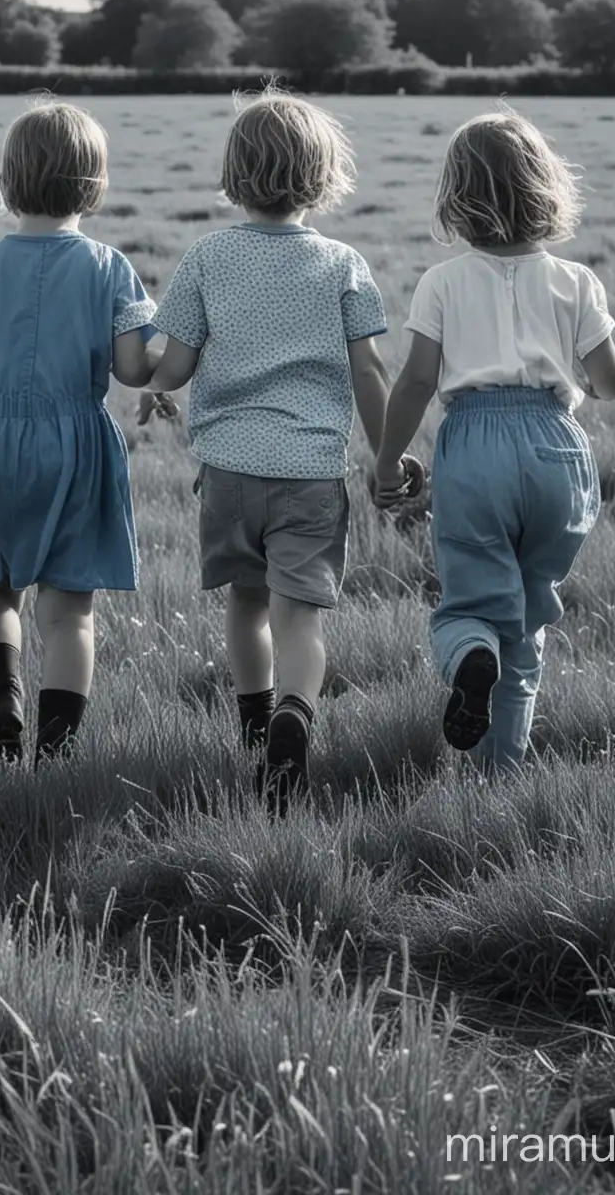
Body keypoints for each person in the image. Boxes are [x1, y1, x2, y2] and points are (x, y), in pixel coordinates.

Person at [142, 87, 422, 812]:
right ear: (322, 174)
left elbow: (174, 364)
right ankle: (297, 715)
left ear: (235, 171)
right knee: (302, 616)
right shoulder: (342, 264)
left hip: (231, 468)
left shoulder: (209, 256)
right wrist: (387, 455)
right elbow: (370, 370)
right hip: (310, 470)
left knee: (246, 602)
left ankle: (254, 721)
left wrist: (156, 385)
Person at [0, 100, 161, 766]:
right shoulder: (110, 267)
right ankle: (58, 748)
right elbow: (132, 370)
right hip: (75, 448)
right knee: (70, 609)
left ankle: (2, 705)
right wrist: (171, 358)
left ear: (8, 179)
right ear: (92, 182)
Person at [373, 107, 615, 772]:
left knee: (471, 607)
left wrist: (388, 459)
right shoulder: (576, 280)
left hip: (476, 446)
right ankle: (500, 773)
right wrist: (584, 382)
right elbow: (610, 380)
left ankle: (468, 656)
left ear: (456, 197)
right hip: (556, 450)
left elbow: (416, 381)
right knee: (527, 619)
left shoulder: (443, 281)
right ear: (545, 187)